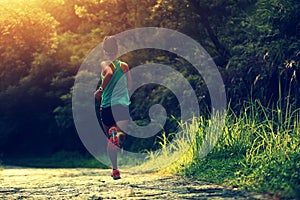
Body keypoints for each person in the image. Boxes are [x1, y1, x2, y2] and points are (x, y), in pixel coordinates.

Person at [94, 36, 132, 180]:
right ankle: (118, 134)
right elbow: (130, 86)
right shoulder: (124, 66)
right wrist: (124, 95)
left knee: (110, 140)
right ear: (117, 50)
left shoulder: (104, 63)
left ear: (105, 51)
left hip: (106, 107)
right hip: (121, 105)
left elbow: (109, 73)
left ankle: (115, 169)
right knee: (120, 137)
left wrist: (100, 90)